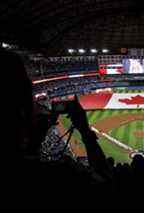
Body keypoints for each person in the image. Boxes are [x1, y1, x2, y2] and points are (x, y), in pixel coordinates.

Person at [0, 50, 112, 207]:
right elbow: (104, 180)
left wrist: (35, 139)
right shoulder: (59, 173)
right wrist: (85, 132)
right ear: (22, 110)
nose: (38, 106)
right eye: (33, 99)